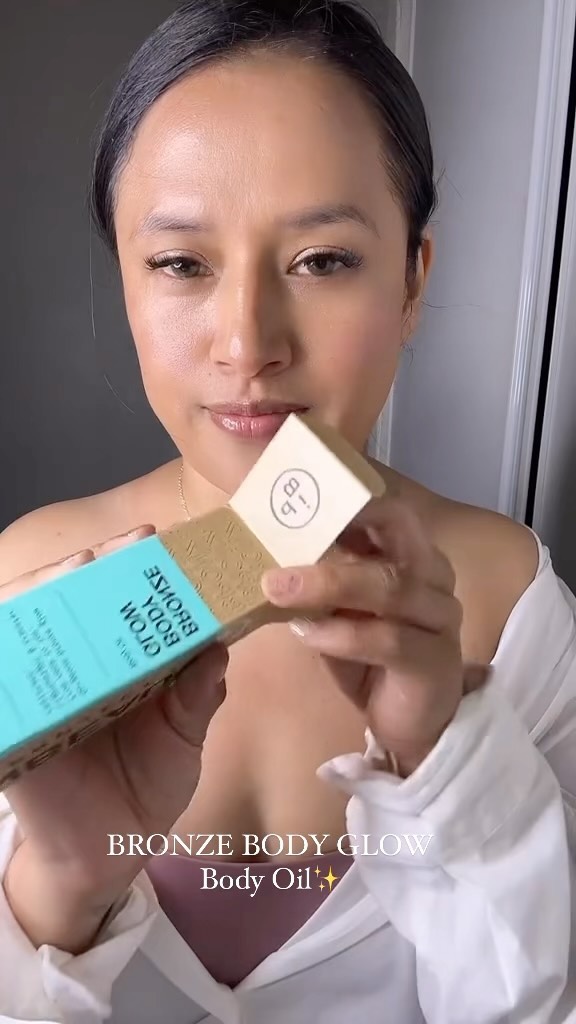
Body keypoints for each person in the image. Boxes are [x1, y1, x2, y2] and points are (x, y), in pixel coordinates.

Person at [0, 0, 574, 1020]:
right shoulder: (28, 596)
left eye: (323, 260)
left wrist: (446, 763)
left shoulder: (513, 600)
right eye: (181, 264)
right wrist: (59, 886)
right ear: (126, 283)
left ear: (412, 281)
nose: (247, 344)